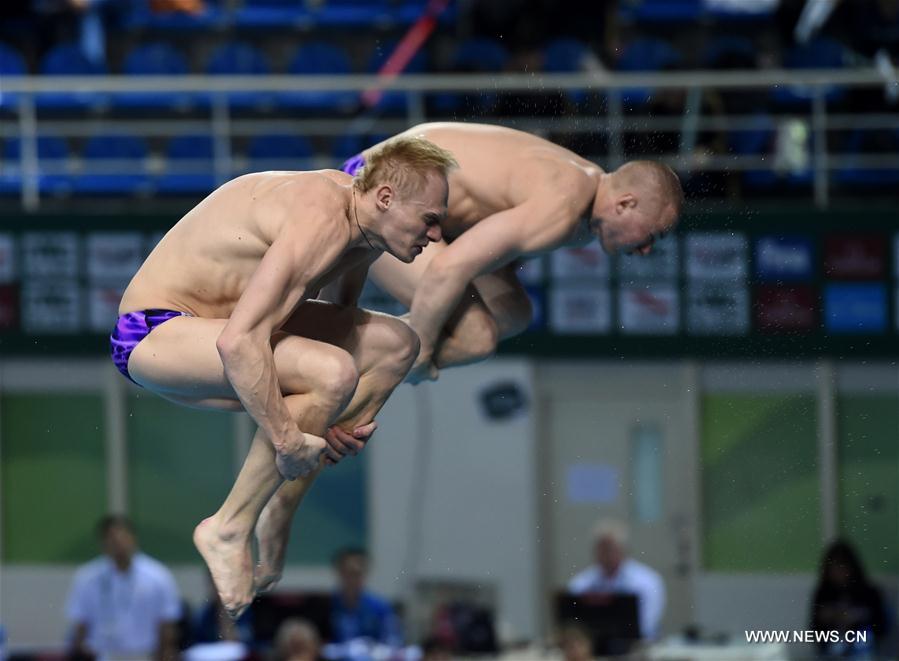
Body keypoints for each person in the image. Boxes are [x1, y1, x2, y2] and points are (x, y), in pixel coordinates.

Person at [111, 136, 457, 617]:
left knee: (397, 344)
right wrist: (287, 439)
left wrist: (330, 421)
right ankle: (229, 526)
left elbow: (341, 322)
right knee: (331, 371)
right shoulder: (320, 216)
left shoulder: (365, 231)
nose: (437, 236)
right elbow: (238, 343)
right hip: (154, 332)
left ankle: (281, 500)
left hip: (221, 329)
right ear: (385, 198)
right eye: (431, 219)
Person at [343, 122, 683, 383]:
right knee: (473, 337)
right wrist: (422, 350)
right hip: (376, 191)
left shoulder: (582, 210)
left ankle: (369, 366)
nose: (647, 249)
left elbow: (482, 261)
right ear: (626, 204)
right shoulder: (563, 206)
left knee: (512, 313)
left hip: (411, 196)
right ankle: (347, 370)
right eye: (652, 234)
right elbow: (448, 268)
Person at [65, 515, 182, 660]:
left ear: (134, 539)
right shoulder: (87, 578)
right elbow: (80, 626)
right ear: (103, 543)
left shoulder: (158, 576)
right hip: (101, 656)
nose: (118, 543)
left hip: (144, 656)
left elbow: (167, 625)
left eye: (123, 536)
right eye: (112, 538)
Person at [567, 519, 665, 641]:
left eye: (610, 549)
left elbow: (646, 626)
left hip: (635, 648)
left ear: (623, 550)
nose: (606, 555)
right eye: (601, 549)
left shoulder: (648, 582)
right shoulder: (581, 584)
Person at [810, 539, 888, 657]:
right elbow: (814, 631)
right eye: (833, 567)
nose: (838, 572)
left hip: (864, 650)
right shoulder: (823, 594)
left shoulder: (869, 593)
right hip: (831, 651)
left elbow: (881, 627)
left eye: (841, 566)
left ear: (852, 567)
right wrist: (826, 619)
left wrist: (859, 618)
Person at [330, 547, 402, 647]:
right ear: (339, 572)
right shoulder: (327, 606)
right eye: (350, 573)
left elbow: (393, 640)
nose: (354, 579)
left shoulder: (380, 607)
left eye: (359, 573)